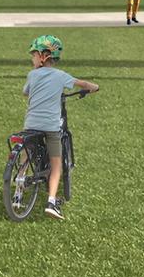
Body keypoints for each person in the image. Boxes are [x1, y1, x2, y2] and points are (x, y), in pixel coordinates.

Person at [19, 33, 99, 219]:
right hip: (51, 127)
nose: (32, 58)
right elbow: (83, 84)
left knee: (25, 155)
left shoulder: (32, 75)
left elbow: (25, 92)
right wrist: (94, 86)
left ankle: (19, 187)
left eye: (33, 55)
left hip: (31, 124)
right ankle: (51, 202)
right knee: (57, 166)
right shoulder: (61, 76)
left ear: (43, 56)